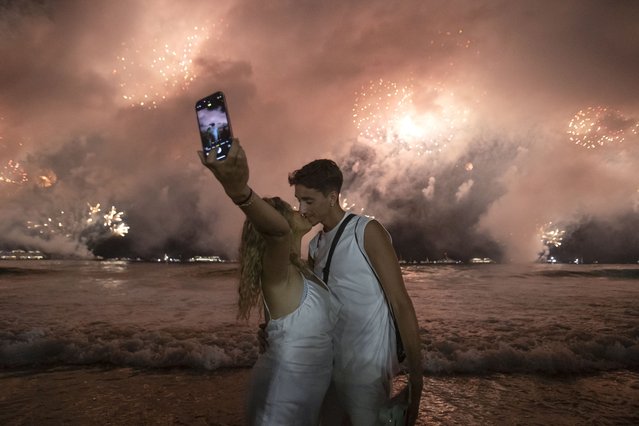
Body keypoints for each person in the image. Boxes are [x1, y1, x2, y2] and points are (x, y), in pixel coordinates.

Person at [199, 140, 337, 425]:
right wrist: (239, 192)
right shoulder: (278, 270)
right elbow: (277, 233)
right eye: (291, 208)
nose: (301, 210)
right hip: (283, 393)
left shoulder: (300, 269)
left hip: (304, 388)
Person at [288, 159, 424, 426]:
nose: (301, 209)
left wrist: (416, 379)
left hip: (366, 370)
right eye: (298, 201)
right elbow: (313, 308)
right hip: (330, 367)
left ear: (331, 197)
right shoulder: (316, 244)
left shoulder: (366, 231)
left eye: (309, 200)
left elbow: (400, 302)